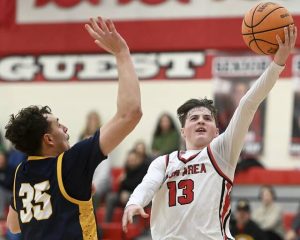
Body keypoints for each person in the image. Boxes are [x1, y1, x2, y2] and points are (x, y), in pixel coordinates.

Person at [122, 25, 297, 239]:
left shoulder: (221, 151)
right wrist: (134, 202)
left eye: (207, 118)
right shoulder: (164, 162)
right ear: (183, 131)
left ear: (217, 131)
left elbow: (248, 104)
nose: (201, 121)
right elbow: (147, 185)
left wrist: (277, 64)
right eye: (193, 118)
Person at [5, 17, 142, 240]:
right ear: (48, 139)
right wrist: (122, 54)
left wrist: (63, 199)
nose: (66, 128)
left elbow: (14, 225)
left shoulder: (21, 172)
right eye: (58, 125)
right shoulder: (70, 162)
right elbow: (130, 113)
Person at [105, 149, 148, 222]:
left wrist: (124, 181)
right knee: (110, 197)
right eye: (129, 159)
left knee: (133, 200)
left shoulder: (143, 170)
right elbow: (121, 187)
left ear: (138, 160)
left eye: (133, 159)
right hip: (123, 195)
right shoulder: (127, 169)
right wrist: (121, 191)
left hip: (135, 196)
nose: (130, 161)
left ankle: (133, 225)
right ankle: (107, 223)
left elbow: (136, 185)